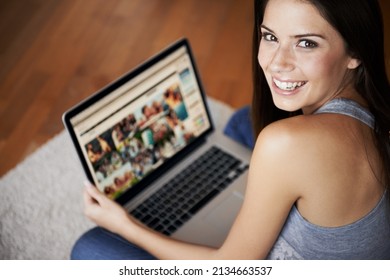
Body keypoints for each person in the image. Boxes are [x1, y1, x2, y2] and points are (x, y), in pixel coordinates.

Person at [71, 0, 390, 260]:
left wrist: (125, 224)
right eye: (270, 36)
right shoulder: (377, 107)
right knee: (242, 120)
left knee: (91, 247)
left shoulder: (285, 144)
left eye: (306, 43)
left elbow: (229, 268)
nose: (277, 63)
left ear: (355, 51)